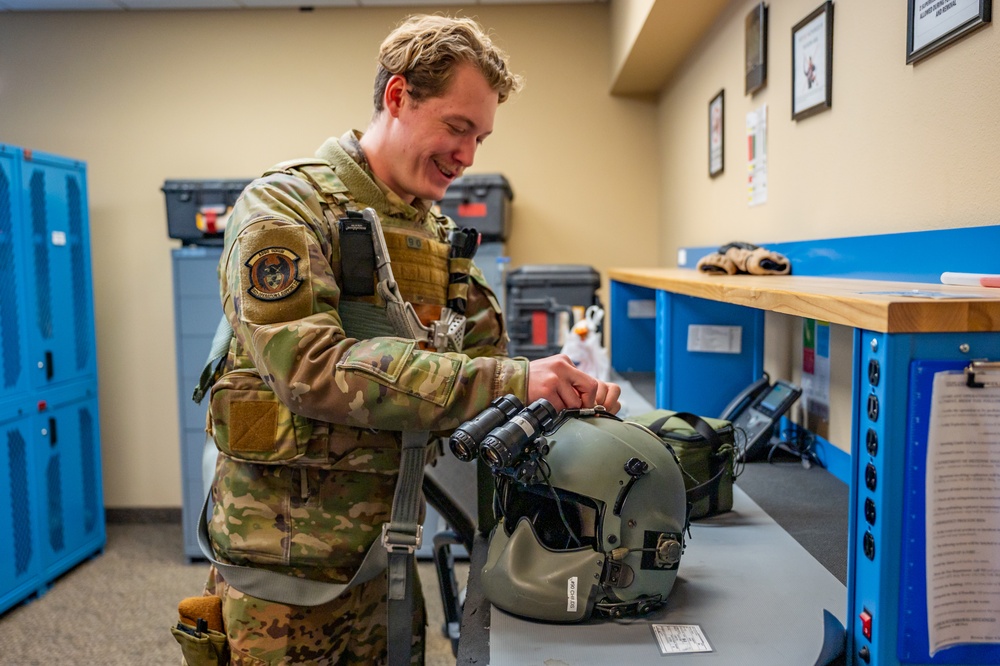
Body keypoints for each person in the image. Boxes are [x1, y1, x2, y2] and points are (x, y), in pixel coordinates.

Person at [199, 13, 621, 665]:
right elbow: (310, 370)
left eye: (479, 137)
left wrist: (564, 390)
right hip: (286, 589)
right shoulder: (286, 207)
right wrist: (513, 379)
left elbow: (488, 366)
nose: (469, 156)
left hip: (385, 564)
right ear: (398, 96)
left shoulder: (433, 234)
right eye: (458, 128)